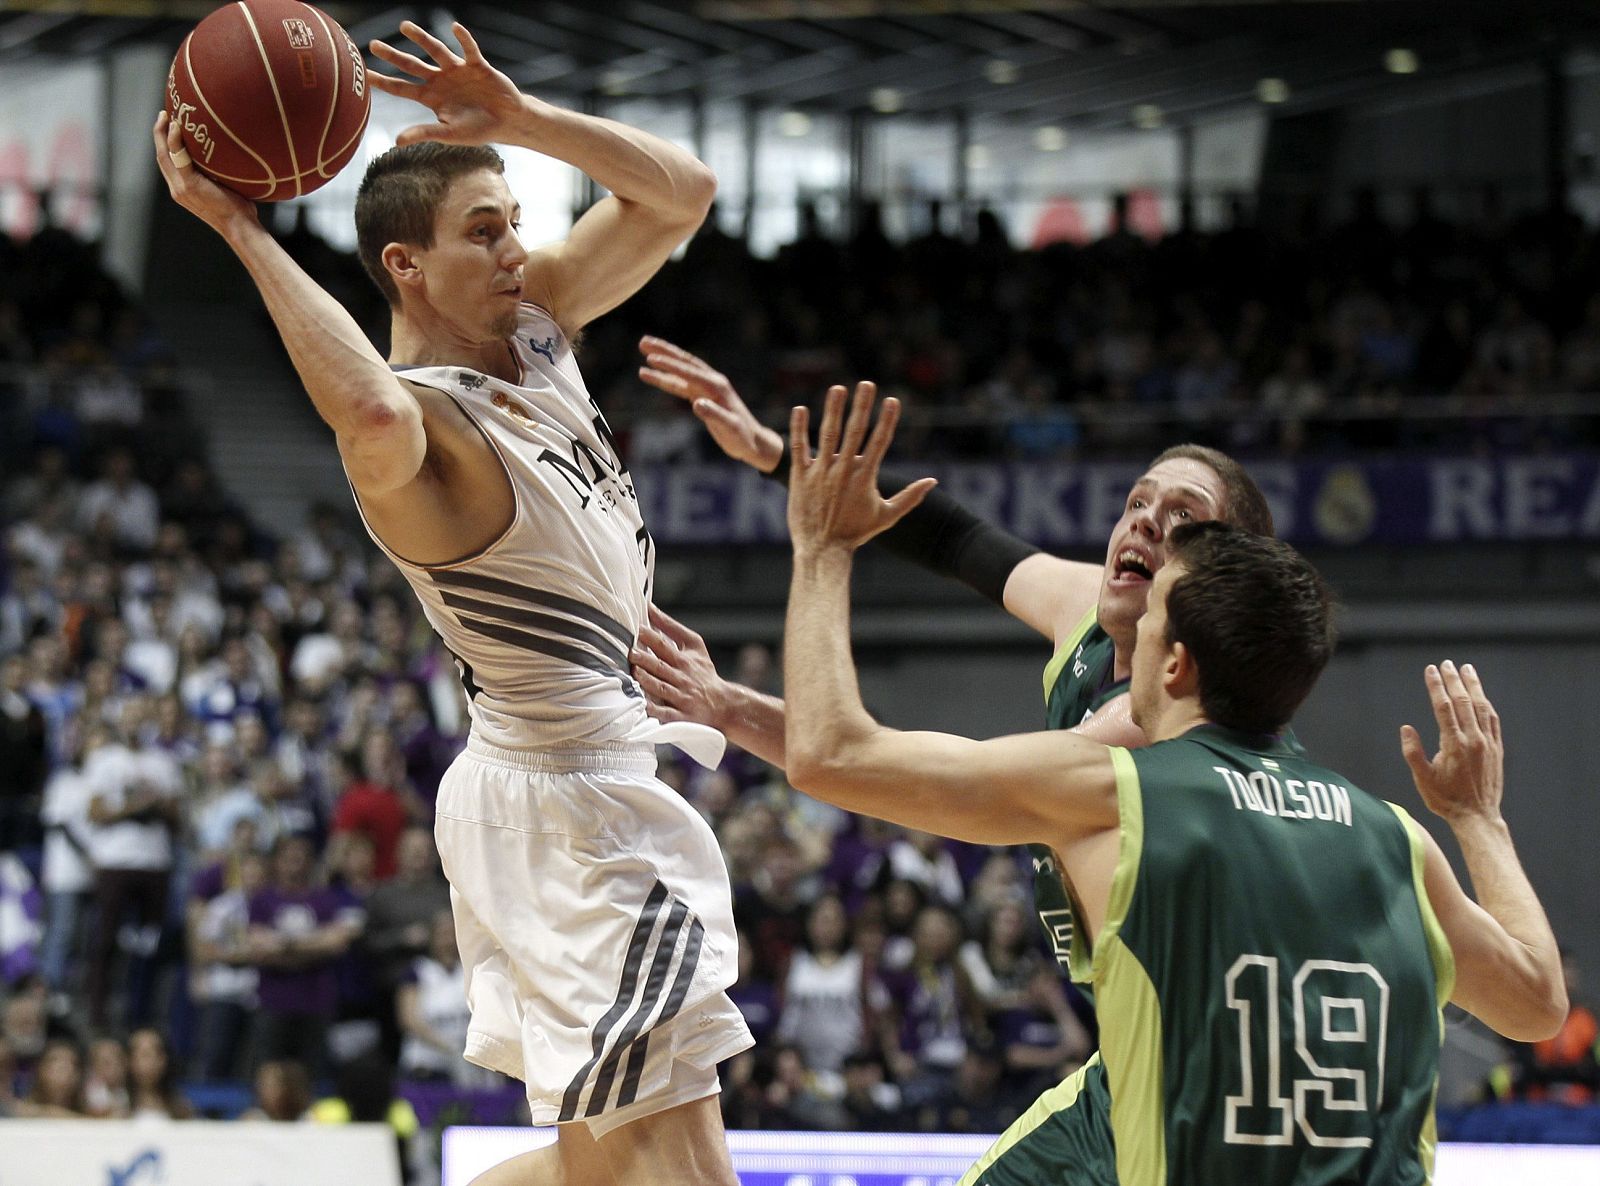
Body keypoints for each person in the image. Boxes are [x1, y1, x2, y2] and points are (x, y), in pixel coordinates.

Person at [154, 18, 744, 1185]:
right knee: (683, 1168)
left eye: (518, 220)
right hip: (574, 811)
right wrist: (236, 225)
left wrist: (516, 120)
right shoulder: (423, 432)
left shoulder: (536, 335)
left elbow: (683, 194)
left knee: (601, 1171)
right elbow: (366, 411)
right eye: (486, 232)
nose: (518, 249)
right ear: (404, 268)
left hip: (562, 798)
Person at [771, 385, 1566, 1185]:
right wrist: (1477, 818)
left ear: (1178, 661)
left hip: (1171, 1102)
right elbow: (1537, 1003)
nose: (1126, 614)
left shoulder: (1123, 789)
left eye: (1154, 622)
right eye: (1138, 504)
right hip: (1168, 1088)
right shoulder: (1398, 838)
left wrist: (820, 544)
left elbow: (831, 755)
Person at [632, 340, 1275, 1180]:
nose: (1146, 521)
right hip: (1127, 1067)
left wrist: (740, 692)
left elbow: (872, 769)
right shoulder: (1097, 612)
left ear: (1223, 580)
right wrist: (774, 453)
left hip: (1206, 1083)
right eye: (1138, 500)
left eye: (1184, 517)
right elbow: (955, 536)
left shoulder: (1152, 727)